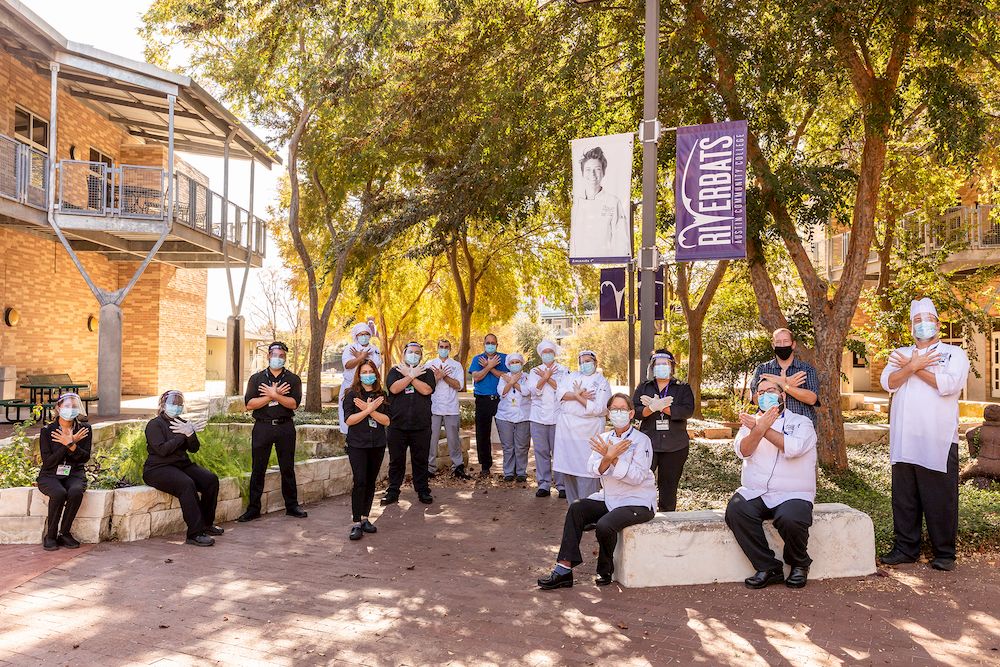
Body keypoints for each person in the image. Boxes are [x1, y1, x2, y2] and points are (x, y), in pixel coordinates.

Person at [879, 298, 969, 571]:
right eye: (917, 320)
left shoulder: (954, 354)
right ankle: (905, 549)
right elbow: (888, 382)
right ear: (910, 327)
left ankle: (944, 553)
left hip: (937, 438)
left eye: (928, 319)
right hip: (904, 439)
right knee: (905, 498)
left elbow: (948, 384)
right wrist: (912, 365)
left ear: (938, 324)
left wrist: (913, 368)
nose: (923, 324)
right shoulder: (900, 353)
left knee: (940, 498)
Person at [537, 393, 656, 589]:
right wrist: (607, 458)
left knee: (604, 525)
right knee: (577, 508)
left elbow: (637, 477)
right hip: (610, 498)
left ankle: (605, 569)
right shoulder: (603, 439)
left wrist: (613, 458)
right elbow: (593, 470)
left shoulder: (641, 440)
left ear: (631, 413)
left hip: (637, 501)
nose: (618, 413)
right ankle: (564, 569)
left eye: (622, 409)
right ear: (608, 413)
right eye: (614, 409)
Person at [725, 379, 817, 589]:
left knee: (791, 518)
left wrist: (761, 428)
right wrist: (758, 428)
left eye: (771, 390)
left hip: (793, 493)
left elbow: (793, 448)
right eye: (761, 392)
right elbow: (744, 450)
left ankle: (799, 564)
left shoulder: (801, 422)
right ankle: (768, 567)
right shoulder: (749, 424)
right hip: (757, 492)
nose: (765, 395)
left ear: (782, 396)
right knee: (737, 510)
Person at [238, 342, 309, 522]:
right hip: (262, 427)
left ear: (285, 358)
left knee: (287, 468)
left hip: (285, 427)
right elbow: (249, 404)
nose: (278, 358)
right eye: (275, 355)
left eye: (281, 356)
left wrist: (275, 395)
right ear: (268, 356)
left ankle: (292, 506)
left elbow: (293, 404)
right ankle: (253, 508)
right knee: (258, 468)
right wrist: (272, 395)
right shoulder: (256, 379)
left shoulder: (293, 379)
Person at [142, 391, 221, 547]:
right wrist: (182, 435)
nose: (176, 407)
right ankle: (195, 534)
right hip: (158, 468)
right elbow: (162, 450)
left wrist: (190, 434)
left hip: (181, 465)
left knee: (211, 480)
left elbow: (194, 448)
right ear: (163, 405)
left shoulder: (183, 423)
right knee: (186, 484)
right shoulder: (154, 425)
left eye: (179, 404)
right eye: (173, 403)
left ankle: (206, 524)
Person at [632, 350, 695, 511]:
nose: (661, 367)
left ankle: (667, 518)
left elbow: (687, 411)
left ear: (671, 366)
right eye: (657, 364)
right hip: (648, 443)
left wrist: (664, 408)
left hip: (675, 445)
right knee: (641, 482)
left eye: (664, 364)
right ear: (652, 367)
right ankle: (642, 512)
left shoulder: (682, 388)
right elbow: (635, 411)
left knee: (668, 487)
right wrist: (651, 408)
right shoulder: (644, 387)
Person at [553, 350, 612, 503]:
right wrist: (577, 395)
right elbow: (560, 394)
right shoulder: (571, 376)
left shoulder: (601, 382)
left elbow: (600, 408)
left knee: (588, 469)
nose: (584, 364)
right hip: (567, 429)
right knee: (568, 469)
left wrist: (576, 397)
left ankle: (587, 508)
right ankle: (573, 507)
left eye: (588, 361)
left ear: (595, 362)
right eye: (581, 362)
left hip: (589, 430)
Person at [382, 342, 437, 505]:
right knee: (396, 461)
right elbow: (394, 389)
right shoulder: (395, 371)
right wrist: (411, 375)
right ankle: (393, 491)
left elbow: (426, 390)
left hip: (421, 426)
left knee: (421, 460)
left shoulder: (427, 372)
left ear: (421, 356)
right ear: (404, 354)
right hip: (397, 426)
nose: (414, 355)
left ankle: (423, 491)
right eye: (411, 352)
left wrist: (410, 376)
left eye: (417, 352)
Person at [36, 393, 91, 551]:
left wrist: (72, 445)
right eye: (67, 406)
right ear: (58, 408)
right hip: (50, 474)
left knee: (75, 491)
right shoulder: (47, 430)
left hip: (74, 473)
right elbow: (48, 462)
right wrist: (68, 443)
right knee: (58, 493)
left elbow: (84, 458)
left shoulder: (84, 429)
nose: (71, 409)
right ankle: (51, 535)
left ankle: (64, 533)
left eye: (74, 406)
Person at [342, 360, 390, 541]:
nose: (368, 375)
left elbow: (386, 420)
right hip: (357, 445)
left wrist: (370, 410)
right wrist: (368, 410)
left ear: (376, 374)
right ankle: (356, 522)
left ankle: (365, 518)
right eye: (364, 372)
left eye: (371, 371)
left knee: (370, 482)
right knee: (360, 481)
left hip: (377, 444)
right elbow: (349, 420)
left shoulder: (382, 395)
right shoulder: (351, 394)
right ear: (359, 375)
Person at [569, 146, 628, 261]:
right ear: (582, 173)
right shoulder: (576, 205)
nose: (592, 174)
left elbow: (621, 240)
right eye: (588, 169)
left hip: (606, 262)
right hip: (580, 263)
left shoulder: (613, 202)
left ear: (603, 172)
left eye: (597, 169)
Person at [750, 328, 820, 424]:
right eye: (778, 342)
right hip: (770, 425)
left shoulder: (807, 369)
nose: (782, 345)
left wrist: (784, 385)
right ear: (773, 345)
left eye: (786, 341)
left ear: (793, 344)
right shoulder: (762, 369)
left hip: (801, 426)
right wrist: (784, 383)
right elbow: (755, 399)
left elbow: (812, 399)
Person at [529, 340, 569, 498]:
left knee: (559, 452)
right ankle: (544, 484)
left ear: (554, 353)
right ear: (540, 354)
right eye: (544, 352)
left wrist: (547, 378)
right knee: (541, 451)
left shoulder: (563, 370)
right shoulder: (534, 371)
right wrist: (545, 377)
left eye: (550, 352)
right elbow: (533, 391)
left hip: (558, 417)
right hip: (538, 417)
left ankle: (561, 485)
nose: (547, 354)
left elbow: (563, 390)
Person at [426, 338, 469, 479]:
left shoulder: (456, 365)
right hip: (433, 407)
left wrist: (444, 377)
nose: (443, 349)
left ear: (449, 349)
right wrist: (437, 377)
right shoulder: (429, 364)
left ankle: (458, 467)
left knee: (453, 439)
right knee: (431, 439)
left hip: (451, 407)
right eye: (441, 346)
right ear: (437, 348)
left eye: (446, 347)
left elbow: (458, 385)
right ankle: (429, 468)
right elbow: (426, 386)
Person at [467, 333, 508, 477]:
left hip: (501, 400)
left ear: (497, 345)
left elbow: (506, 377)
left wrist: (490, 367)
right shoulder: (477, 359)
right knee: (482, 434)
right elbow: (476, 377)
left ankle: (510, 468)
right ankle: (485, 466)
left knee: (506, 434)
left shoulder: (504, 358)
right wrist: (489, 366)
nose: (490, 345)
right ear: (484, 344)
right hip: (482, 400)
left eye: (493, 343)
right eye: (488, 342)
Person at [339, 321, 382, 436]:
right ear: (356, 336)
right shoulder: (350, 348)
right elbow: (348, 365)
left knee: (369, 413)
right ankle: (349, 437)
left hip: (368, 386)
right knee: (349, 413)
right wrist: (361, 357)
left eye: (366, 334)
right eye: (361, 334)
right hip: (350, 386)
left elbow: (375, 366)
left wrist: (360, 358)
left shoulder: (375, 349)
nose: (364, 336)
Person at [495, 352, 533, 482]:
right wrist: (511, 381)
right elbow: (502, 392)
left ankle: (521, 472)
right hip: (504, 416)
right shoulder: (503, 377)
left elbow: (526, 391)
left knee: (522, 446)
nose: (515, 364)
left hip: (524, 416)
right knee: (508, 446)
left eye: (517, 362)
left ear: (522, 364)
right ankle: (509, 472)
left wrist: (511, 382)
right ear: (508, 364)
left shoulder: (528, 377)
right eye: (512, 362)